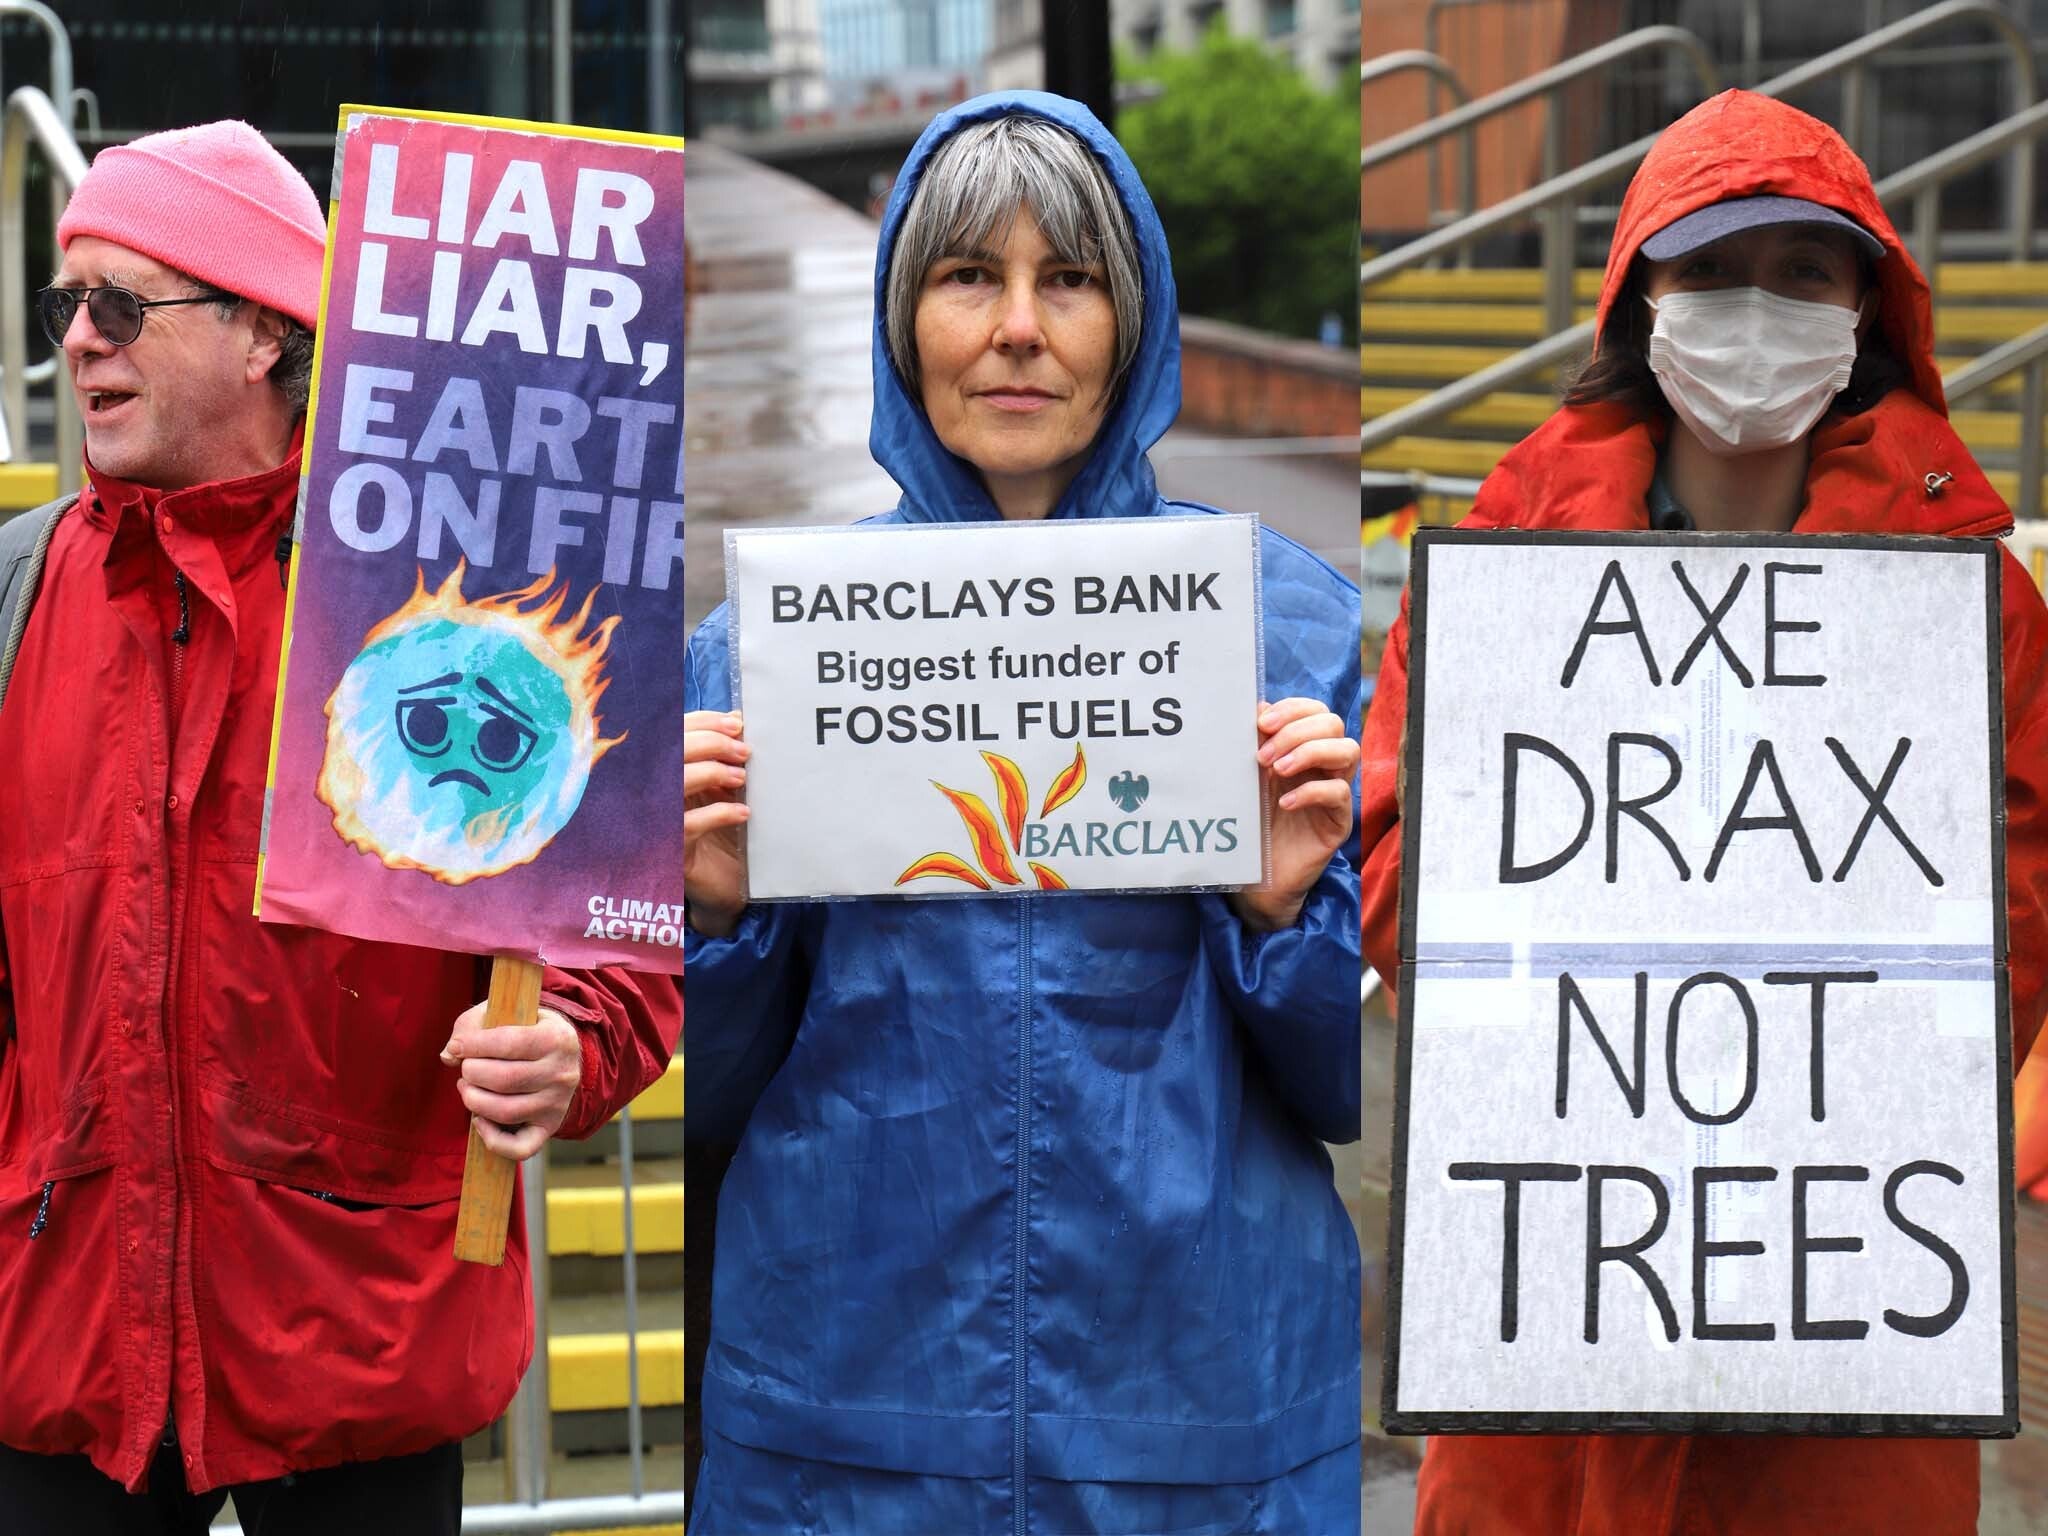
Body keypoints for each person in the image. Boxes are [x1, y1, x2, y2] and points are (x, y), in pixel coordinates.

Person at [1360, 88, 2048, 1536]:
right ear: (1641, 300)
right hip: (1554, 1306)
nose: (1757, 311)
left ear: (1866, 303)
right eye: (1714, 273)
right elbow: (1395, 856)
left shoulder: (1978, 599)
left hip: (1842, 1304)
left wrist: (1843, 1028)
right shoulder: (1496, 568)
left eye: (1804, 273)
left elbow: (2021, 905)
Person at [683, 92, 1364, 1532]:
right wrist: (720, 917)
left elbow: (1330, 1089)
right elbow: (716, 1094)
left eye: (1067, 280)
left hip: (1195, 1394)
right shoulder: (762, 655)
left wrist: (1282, 912)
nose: (1016, 328)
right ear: (900, 320)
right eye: (965, 277)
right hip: (852, 1396)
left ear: (1136, 323)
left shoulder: (1289, 630)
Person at [0, 121, 679, 1532]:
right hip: (58, 1349)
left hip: (361, 1359)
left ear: (260, 331)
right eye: (68, 306)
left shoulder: (456, 600)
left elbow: (612, 913)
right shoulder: (15, 598)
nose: (79, 343)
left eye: (121, 305)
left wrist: (574, 1047)